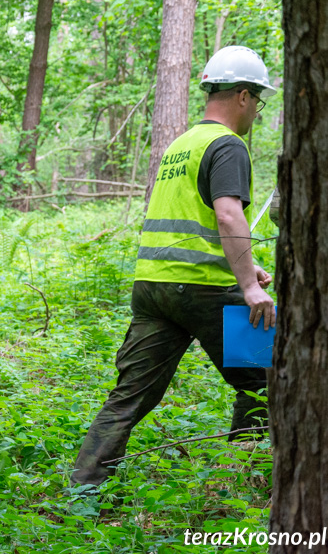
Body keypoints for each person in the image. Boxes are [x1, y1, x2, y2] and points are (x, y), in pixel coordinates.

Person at [71, 46, 277, 487]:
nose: (256, 112)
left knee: (129, 398)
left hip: (153, 287)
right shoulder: (227, 144)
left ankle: (83, 493)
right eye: (257, 101)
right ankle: (245, 475)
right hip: (202, 287)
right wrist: (249, 287)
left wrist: (249, 265)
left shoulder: (181, 145)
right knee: (269, 378)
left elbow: (195, 218)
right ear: (242, 95)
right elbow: (226, 214)